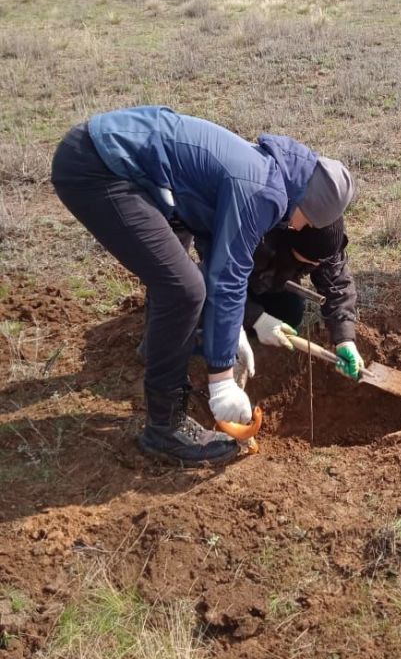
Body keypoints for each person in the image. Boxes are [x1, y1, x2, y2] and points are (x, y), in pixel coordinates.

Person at [51, 106, 354, 467]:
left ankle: (160, 351)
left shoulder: (274, 175)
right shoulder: (262, 191)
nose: (300, 227)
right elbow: (228, 277)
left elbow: (214, 246)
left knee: (181, 280)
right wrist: (222, 379)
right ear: (311, 204)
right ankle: (165, 426)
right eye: (309, 221)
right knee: (182, 289)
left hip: (128, 170)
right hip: (101, 167)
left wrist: (232, 331)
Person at [243, 217, 363, 379]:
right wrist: (256, 318)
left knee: (290, 312)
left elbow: (337, 283)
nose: (315, 265)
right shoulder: (257, 238)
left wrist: (344, 337)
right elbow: (221, 284)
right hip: (233, 282)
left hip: (272, 280)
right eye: (310, 261)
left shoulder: (328, 234)